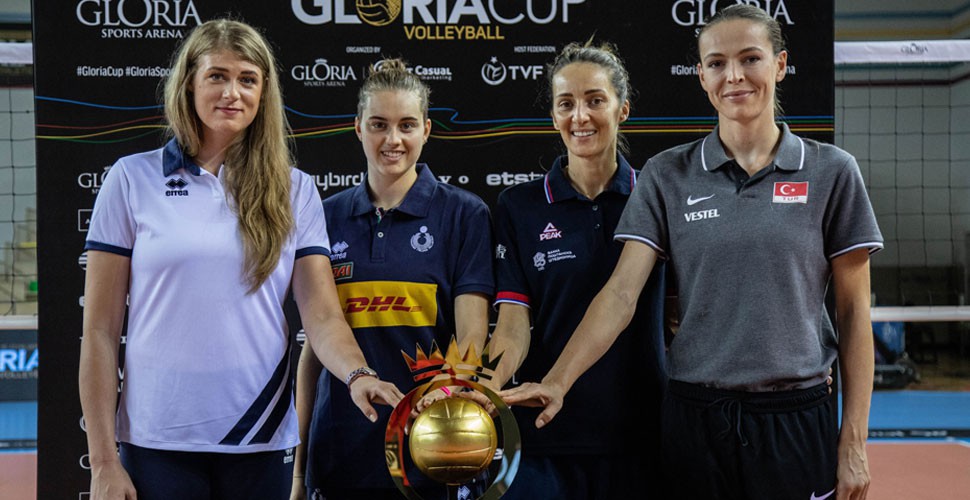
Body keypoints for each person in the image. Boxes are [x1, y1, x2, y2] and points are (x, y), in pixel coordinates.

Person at [501, 5, 882, 500]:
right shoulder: (667, 175)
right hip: (695, 420)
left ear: (780, 64)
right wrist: (556, 382)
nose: (734, 76)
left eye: (750, 59)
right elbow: (620, 295)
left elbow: (854, 314)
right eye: (718, 63)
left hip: (794, 415)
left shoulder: (833, 171)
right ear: (701, 75)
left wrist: (853, 440)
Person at [79, 19, 402, 500]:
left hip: (260, 439)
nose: (232, 92)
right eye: (217, 76)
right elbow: (101, 332)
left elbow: (322, 315)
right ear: (189, 81)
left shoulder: (295, 189)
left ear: (263, 92)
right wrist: (103, 460)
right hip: (156, 440)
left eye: (248, 79)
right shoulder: (131, 179)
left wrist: (357, 374)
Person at [292, 58, 495, 500]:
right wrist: (298, 470)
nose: (393, 140)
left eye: (406, 125)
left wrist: (448, 388)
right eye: (379, 125)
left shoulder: (465, 214)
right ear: (358, 128)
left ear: (426, 129)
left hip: (434, 448)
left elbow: (473, 331)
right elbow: (314, 349)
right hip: (340, 453)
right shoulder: (323, 217)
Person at [484, 41, 666, 499]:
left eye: (594, 100)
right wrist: (483, 386)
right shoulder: (518, 207)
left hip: (645, 437)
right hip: (546, 435)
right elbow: (511, 325)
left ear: (623, 109)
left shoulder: (657, 196)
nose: (580, 116)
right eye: (566, 104)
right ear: (553, 116)